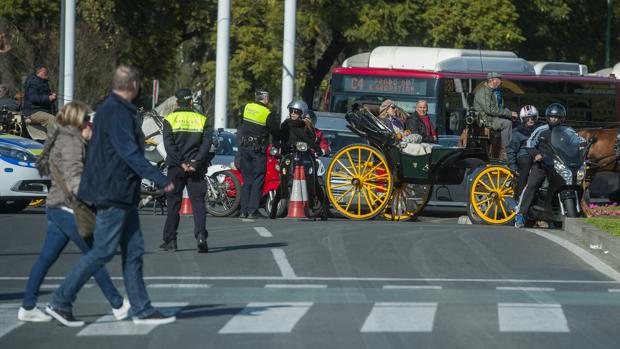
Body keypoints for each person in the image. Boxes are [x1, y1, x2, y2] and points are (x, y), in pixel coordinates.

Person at [46, 65, 176, 327]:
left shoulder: (111, 109)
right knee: (103, 251)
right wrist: (160, 178)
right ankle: (61, 301)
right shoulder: (117, 112)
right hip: (114, 191)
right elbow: (128, 153)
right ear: (135, 85)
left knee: (133, 250)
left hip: (120, 192)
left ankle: (141, 308)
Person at [18, 102, 129, 323]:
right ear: (78, 120)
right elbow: (74, 178)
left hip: (56, 206)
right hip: (69, 207)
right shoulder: (71, 141)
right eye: (88, 119)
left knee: (46, 258)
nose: (90, 123)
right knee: (95, 256)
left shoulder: (62, 136)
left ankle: (28, 306)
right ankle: (117, 304)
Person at [514, 103, 584, 228]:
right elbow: (529, 143)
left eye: (556, 117)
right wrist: (536, 154)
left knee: (574, 182)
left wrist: (583, 147)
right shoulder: (541, 129)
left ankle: (573, 212)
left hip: (560, 164)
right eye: (551, 117)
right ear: (547, 117)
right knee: (532, 184)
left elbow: (579, 141)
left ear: (562, 118)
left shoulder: (568, 131)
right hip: (542, 164)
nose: (553, 119)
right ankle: (520, 213)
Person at [160, 88, 211, 253]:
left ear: (177, 102)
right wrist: (196, 161)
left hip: (176, 168)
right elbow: (206, 144)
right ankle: (201, 236)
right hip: (197, 168)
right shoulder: (202, 119)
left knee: (173, 203)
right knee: (198, 202)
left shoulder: (169, 119)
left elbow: (169, 145)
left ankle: (171, 240)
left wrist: (182, 162)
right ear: (191, 102)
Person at [237, 89, 280, 219]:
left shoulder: (246, 107)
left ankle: (243, 210)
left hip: (244, 148)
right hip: (258, 151)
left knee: (247, 179)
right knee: (258, 179)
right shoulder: (267, 113)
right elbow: (276, 131)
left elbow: (241, 123)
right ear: (265, 98)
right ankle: (253, 210)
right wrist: (277, 143)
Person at [473, 72, 518, 160]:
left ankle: (513, 149)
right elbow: (489, 110)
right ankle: (504, 151)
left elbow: (498, 109)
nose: (502, 82)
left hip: (493, 118)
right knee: (507, 123)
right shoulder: (484, 92)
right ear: (493, 80)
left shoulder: (494, 92)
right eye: (500, 79)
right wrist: (509, 113)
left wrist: (510, 113)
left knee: (515, 123)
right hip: (486, 120)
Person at [506, 105, 540, 199]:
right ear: (522, 119)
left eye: (532, 118)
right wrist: (513, 165)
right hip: (523, 156)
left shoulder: (540, 130)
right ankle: (519, 195)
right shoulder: (517, 132)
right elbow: (511, 149)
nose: (530, 120)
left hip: (537, 156)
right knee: (527, 162)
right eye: (527, 118)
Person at [23, 64, 57, 140]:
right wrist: (48, 98)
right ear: (39, 72)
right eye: (45, 72)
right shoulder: (34, 82)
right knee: (52, 119)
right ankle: (58, 141)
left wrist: (51, 98)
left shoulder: (42, 82)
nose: (47, 73)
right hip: (33, 112)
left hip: (40, 112)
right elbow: (33, 98)